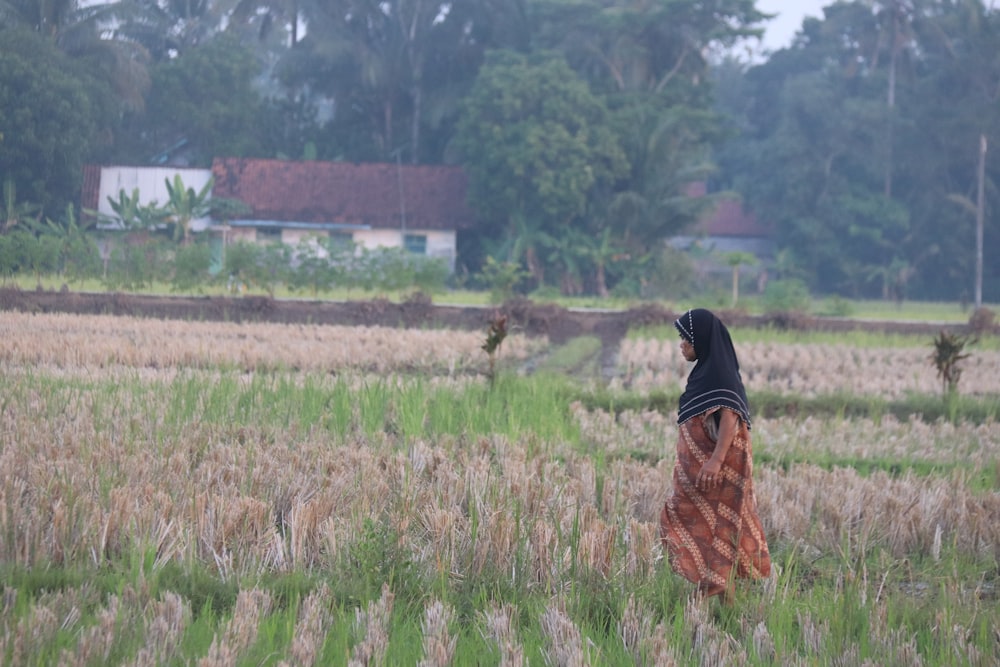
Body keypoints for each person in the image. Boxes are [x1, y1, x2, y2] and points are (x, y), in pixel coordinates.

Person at [660, 308, 770, 602]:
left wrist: (715, 461)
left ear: (703, 341)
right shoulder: (706, 374)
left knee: (716, 524)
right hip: (706, 471)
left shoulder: (720, 376)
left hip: (718, 471)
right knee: (707, 523)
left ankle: (713, 588)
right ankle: (724, 599)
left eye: (686, 339)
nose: (682, 346)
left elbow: (730, 418)